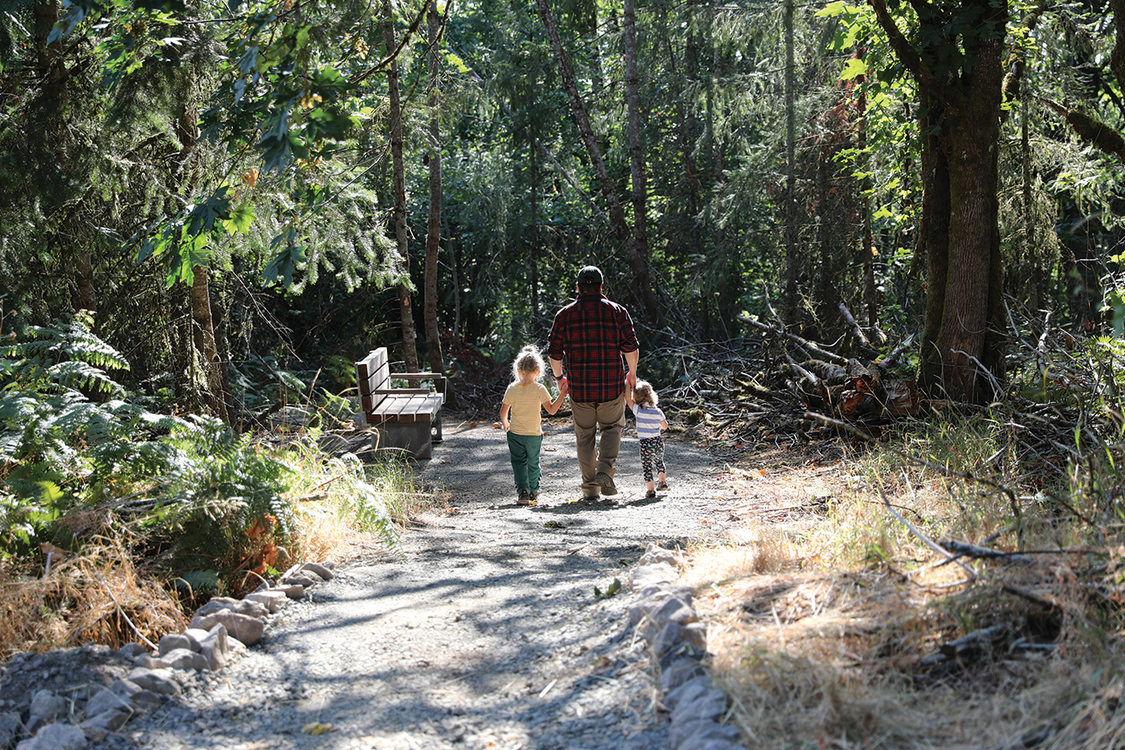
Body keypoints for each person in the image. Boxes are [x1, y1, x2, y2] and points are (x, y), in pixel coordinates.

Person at [547, 265, 640, 501]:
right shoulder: (617, 312)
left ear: (578, 288)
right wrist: (632, 374)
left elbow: (554, 353)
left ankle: (590, 489)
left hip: (580, 389)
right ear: (601, 287)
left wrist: (559, 379)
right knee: (612, 429)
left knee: (585, 437)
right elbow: (631, 347)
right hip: (610, 386)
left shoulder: (564, 315)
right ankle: (605, 471)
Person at [500, 345, 568, 506]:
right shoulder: (539, 389)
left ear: (518, 370)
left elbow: (503, 412)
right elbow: (551, 410)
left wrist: (505, 424)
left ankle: (522, 492)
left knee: (518, 463)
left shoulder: (512, 389)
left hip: (515, 433)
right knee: (533, 462)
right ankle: (533, 491)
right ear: (538, 371)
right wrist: (562, 395)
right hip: (534, 434)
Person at [625, 379, 668, 499]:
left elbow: (628, 399)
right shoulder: (657, 411)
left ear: (636, 397)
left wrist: (628, 384)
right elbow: (665, 426)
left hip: (645, 443)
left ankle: (651, 490)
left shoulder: (638, 411)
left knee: (647, 466)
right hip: (658, 440)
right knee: (659, 461)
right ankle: (662, 482)